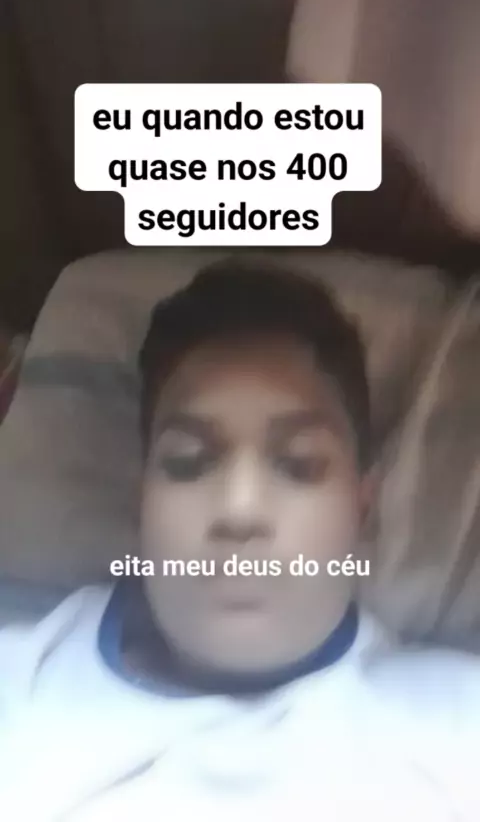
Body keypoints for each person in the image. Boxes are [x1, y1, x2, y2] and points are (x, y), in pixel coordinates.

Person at [0, 260, 479, 821]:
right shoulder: (19, 684)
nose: (239, 509)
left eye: (299, 465)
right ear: (141, 501)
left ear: (361, 510)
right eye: (188, 462)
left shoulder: (456, 728)